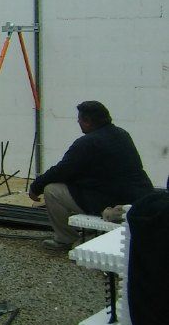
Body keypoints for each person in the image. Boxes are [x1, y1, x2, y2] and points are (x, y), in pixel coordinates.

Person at [28, 101, 153, 250]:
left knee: (52, 190)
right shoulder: (122, 134)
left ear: (87, 122)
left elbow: (61, 171)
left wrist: (36, 187)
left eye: (79, 119)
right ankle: (89, 236)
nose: (78, 122)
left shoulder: (87, 143)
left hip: (113, 202)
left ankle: (66, 239)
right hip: (138, 198)